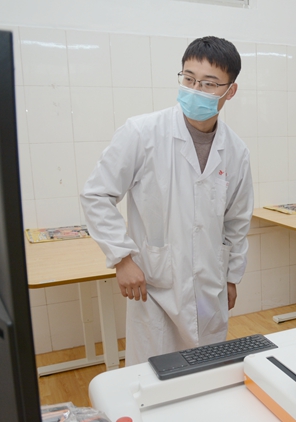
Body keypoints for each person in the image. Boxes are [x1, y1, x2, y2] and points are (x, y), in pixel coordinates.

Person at [81, 36, 253, 366]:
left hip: (209, 289)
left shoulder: (236, 151)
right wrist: (122, 258)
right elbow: (97, 194)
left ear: (230, 91)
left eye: (208, 84)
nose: (195, 90)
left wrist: (232, 277)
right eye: (188, 79)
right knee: (152, 374)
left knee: (205, 371)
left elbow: (237, 221)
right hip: (154, 286)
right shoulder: (142, 133)